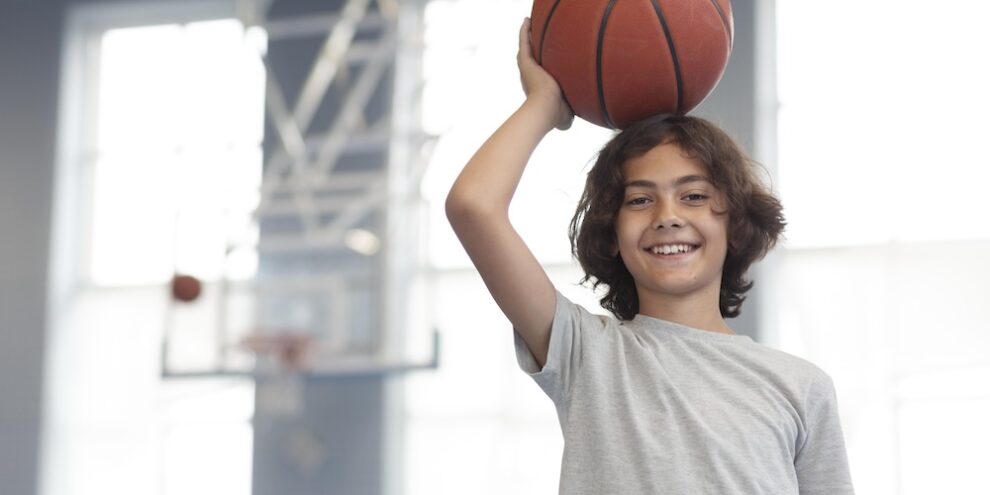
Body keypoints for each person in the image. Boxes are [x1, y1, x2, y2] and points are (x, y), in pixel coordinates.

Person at [445, 18, 855, 495]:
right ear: (612, 233)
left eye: (694, 196)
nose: (667, 216)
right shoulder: (585, 352)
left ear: (735, 223)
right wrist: (545, 103)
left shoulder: (801, 387)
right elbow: (473, 205)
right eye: (640, 200)